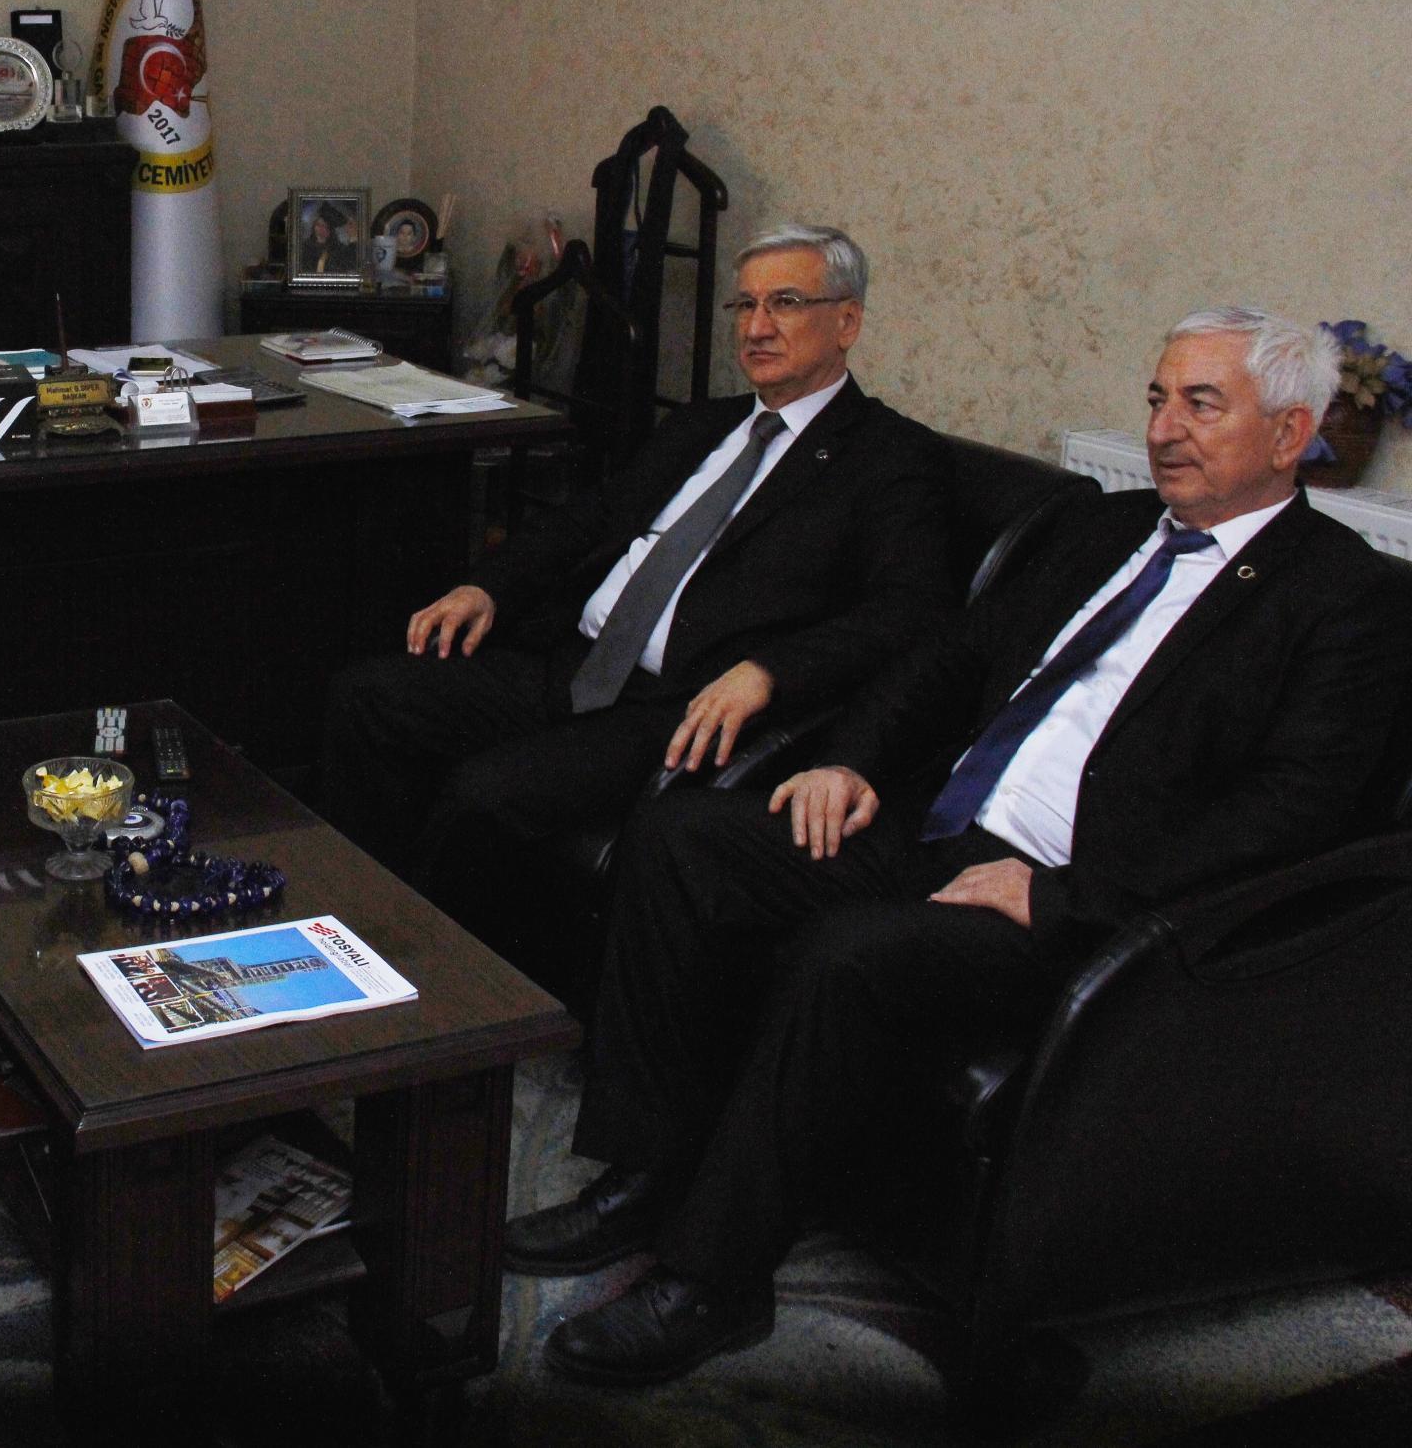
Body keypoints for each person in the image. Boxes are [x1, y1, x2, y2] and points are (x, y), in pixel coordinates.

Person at [518, 308, 1410, 1386]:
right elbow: (950, 658)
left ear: (1289, 433)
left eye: (1200, 404)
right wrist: (849, 762)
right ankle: (643, 1175)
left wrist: (1062, 896)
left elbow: (1292, 816)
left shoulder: (1346, 599)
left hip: (1086, 909)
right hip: (939, 827)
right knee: (683, 837)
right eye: (1156, 398)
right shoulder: (1105, 528)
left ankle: (714, 1280)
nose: (1163, 428)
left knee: (846, 956)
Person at [321, 224, 956, 982]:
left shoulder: (891, 459)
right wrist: (488, 586)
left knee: (483, 796)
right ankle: (349, 926)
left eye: (785, 303)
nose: (756, 327)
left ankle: (437, 990)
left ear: (847, 321)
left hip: (674, 708)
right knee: (370, 697)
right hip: (573, 661)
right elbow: (591, 519)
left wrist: (770, 672)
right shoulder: (704, 425)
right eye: (745, 305)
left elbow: (906, 613)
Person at [296, 202, 357, 275]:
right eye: (318, 224)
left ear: (330, 230)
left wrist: (353, 237)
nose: (320, 228)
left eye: (324, 226)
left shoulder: (338, 248)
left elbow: (350, 264)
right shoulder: (305, 247)